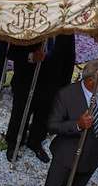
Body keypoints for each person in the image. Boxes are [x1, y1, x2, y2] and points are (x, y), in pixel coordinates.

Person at [42, 59, 98, 186]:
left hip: (92, 158)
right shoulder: (66, 95)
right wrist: (77, 125)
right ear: (90, 82)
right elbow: (52, 125)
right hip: (66, 158)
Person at [5, 34, 76, 164]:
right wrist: (31, 57)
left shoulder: (66, 31)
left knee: (44, 115)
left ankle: (35, 142)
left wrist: (64, 86)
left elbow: (69, 58)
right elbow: (12, 53)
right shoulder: (30, 25)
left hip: (51, 83)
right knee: (20, 113)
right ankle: (14, 143)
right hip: (26, 81)